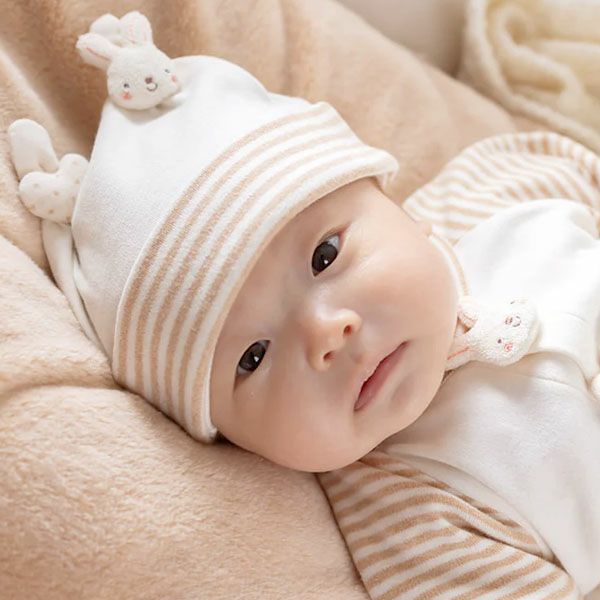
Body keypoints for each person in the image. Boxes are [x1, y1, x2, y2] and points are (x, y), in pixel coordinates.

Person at [8, 11, 600, 598]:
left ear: (388, 200)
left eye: (324, 256)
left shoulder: (492, 192)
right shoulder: (411, 515)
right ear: (231, 440)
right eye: (253, 357)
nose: (325, 333)